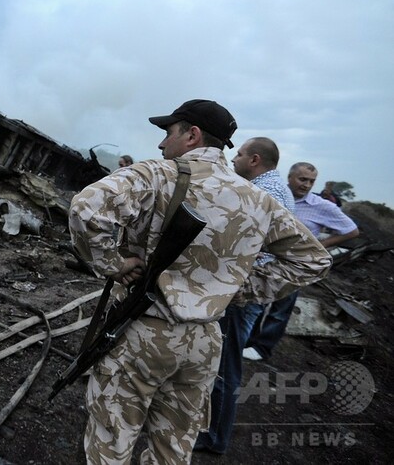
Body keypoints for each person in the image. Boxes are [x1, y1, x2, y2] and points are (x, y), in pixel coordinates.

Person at [69, 99, 331, 464]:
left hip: (146, 328)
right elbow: (314, 260)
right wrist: (235, 290)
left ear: (191, 135)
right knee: (173, 449)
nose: (162, 144)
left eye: (168, 133)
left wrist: (112, 264)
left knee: (112, 440)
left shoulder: (158, 174)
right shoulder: (260, 201)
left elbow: (86, 208)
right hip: (206, 342)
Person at [194, 136, 295, 454]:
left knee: (225, 365)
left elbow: (243, 243)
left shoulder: (266, 192)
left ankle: (214, 438)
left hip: (243, 291)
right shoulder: (274, 188)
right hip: (247, 288)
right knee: (220, 360)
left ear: (254, 159)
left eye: (238, 154)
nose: (233, 159)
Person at [243, 162, 359, 361]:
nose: (306, 185)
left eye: (311, 181)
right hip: (264, 261)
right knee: (255, 302)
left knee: (280, 309)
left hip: (293, 266)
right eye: (302, 179)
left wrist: (320, 246)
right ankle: (246, 342)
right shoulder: (276, 195)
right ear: (290, 177)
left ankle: (262, 348)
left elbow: (351, 231)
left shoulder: (321, 206)